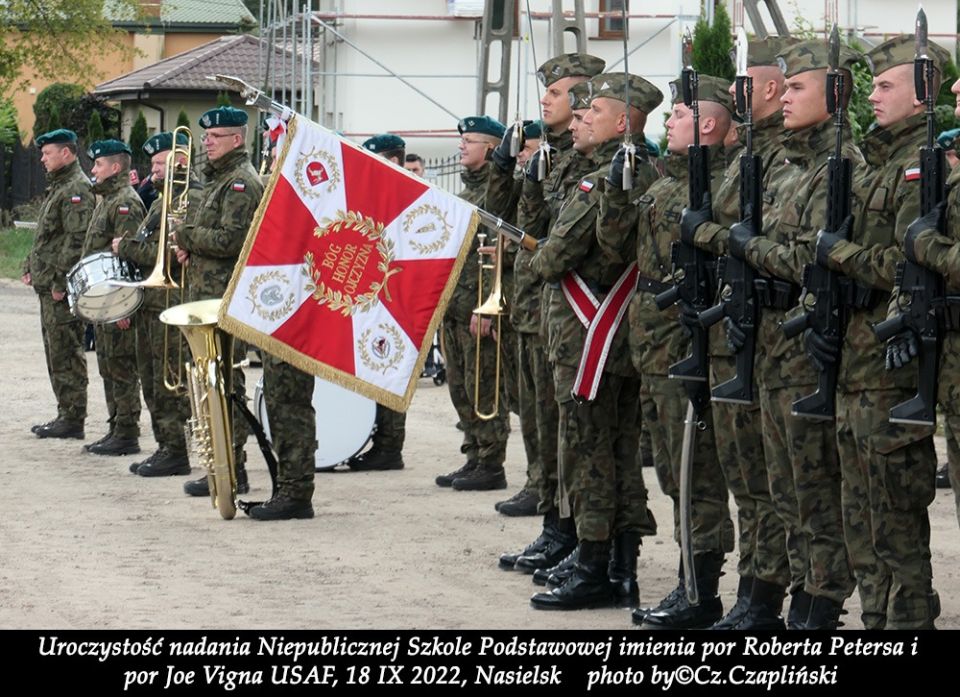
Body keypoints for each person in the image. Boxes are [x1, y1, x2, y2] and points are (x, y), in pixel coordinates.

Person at [692, 39, 860, 628]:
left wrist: (742, 244)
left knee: (812, 484)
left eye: (797, 88)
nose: (785, 98)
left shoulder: (838, 167)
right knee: (772, 485)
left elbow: (808, 258)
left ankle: (819, 602)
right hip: (763, 341)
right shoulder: (782, 163)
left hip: (801, 344)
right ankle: (772, 597)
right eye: (783, 87)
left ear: (833, 93)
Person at [599, 75, 736, 628]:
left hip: (691, 346)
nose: (667, 122)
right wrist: (617, 189)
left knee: (696, 476)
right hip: (652, 349)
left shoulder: (722, 185)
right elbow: (614, 250)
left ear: (706, 123)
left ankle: (701, 592)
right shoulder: (659, 185)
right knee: (673, 478)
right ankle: (689, 583)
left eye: (677, 114)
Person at [528, 72, 661, 611]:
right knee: (617, 450)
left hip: (592, 337)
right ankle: (617, 566)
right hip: (603, 334)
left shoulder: (612, 175)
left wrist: (539, 256)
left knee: (591, 452)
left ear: (623, 122)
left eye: (593, 113)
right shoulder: (612, 171)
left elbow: (554, 256)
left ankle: (596, 564)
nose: (580, 119)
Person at [687, 37, 796, 629]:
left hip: (776, 342)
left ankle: (772, 600)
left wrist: (711, 236)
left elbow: (734, 232)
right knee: (751, 482)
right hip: (740, 333)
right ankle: (754, 598)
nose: (734, 94)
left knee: (777, 485)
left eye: (743, 84)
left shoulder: (789, 160)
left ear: (772, 88)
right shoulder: (750, 155)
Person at [485, 54, 606, 573]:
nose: (546, 101)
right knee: (539, 425)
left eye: (556, 93)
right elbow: (505, 219)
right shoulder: (548, 155)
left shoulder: (582, 159)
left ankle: (572, 532)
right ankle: (553, 523)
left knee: (567, 433)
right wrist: (504, 166)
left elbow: (552, 242)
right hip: (536, 309)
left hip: (572, 312)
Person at [850, 37, 951, 627]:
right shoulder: (879, 160)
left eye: (885, 85)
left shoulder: (923, 165)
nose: (873, 94)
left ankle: (908, 622)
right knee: (860, 510)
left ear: (923, 94)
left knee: (893, 510)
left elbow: (907, 261)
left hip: (891, 360)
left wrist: (841, 257)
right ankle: (876, 620)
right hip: (857, 356)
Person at [177, 106, 262, 500]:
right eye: (206, 136)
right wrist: (188, 246)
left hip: (223, 298)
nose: (207, 142)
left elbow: (230, 241)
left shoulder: (241, 182)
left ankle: (234, 468)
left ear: (237, 139)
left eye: (215, 136)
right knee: (207, 383)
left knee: (226, 382)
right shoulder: (218, 180)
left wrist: (187, 237)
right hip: (204, 295)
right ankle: (219, 466)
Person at [434, 115, 512, 491]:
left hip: (477, 308)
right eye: (462, 140)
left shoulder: (498, 194)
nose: (462, 146)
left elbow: (493, 257)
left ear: (492, 148)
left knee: (484, 386)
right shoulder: (464, 195)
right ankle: (473, 455)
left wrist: (487, 306)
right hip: (454, 306)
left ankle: (491, 461)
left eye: (471, 141)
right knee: (459, 386)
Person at [115, 131, 197, 477]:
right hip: (152, 301)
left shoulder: (190, 199)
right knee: (150, 380)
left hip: (171, 300)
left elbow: (164, 254)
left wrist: (126, 247)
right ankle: (166, 447)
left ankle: (176, 450)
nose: (155, 169)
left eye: (160, 162)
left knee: (170, 384)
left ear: (179, 161)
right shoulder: (160, 201)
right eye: (152, 163)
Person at [346, 133, 412, 473]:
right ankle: (381, 440)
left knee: (391, 369)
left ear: (394, 162)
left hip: (397, 301)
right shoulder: (379, 197)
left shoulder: (407, 200)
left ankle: (390, 446)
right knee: (375, 368)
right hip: (374, 297)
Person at [23, 129, 94, 440]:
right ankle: (65, 412)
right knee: (56, 350)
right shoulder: (61, 186)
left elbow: (77, 240)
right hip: (48, 285)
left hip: (60, 288)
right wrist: (29, 265)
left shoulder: (77, 188)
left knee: (66, 351)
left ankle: (73, 416)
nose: (42, 158)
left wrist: (59, 281)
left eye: (47, 153)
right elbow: (49, 235)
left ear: (66, 153)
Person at [81, 139, 145, 456]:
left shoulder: (125, 203)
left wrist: (125, 305)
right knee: (108, 365)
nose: (93, 170)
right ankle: (116, 426)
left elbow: (129, 259)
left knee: (121, 367)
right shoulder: (107, 199)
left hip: (117, 300)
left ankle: (128, 433)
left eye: (99, 164)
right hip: (103, 297)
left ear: (115, 167)